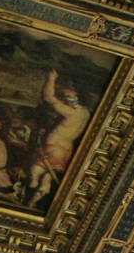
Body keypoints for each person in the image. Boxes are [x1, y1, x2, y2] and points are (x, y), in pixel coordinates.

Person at [26, 70, 89, 207]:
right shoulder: (85, 112)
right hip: (66, 150)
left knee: (34, 173)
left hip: (54, 148)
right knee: (46, 178)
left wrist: (51, 79)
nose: (64, 94)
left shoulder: (71, 112)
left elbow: (48, 97)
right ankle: (32, 203)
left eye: (67, 92)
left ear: (75, 94)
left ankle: (28, 196)